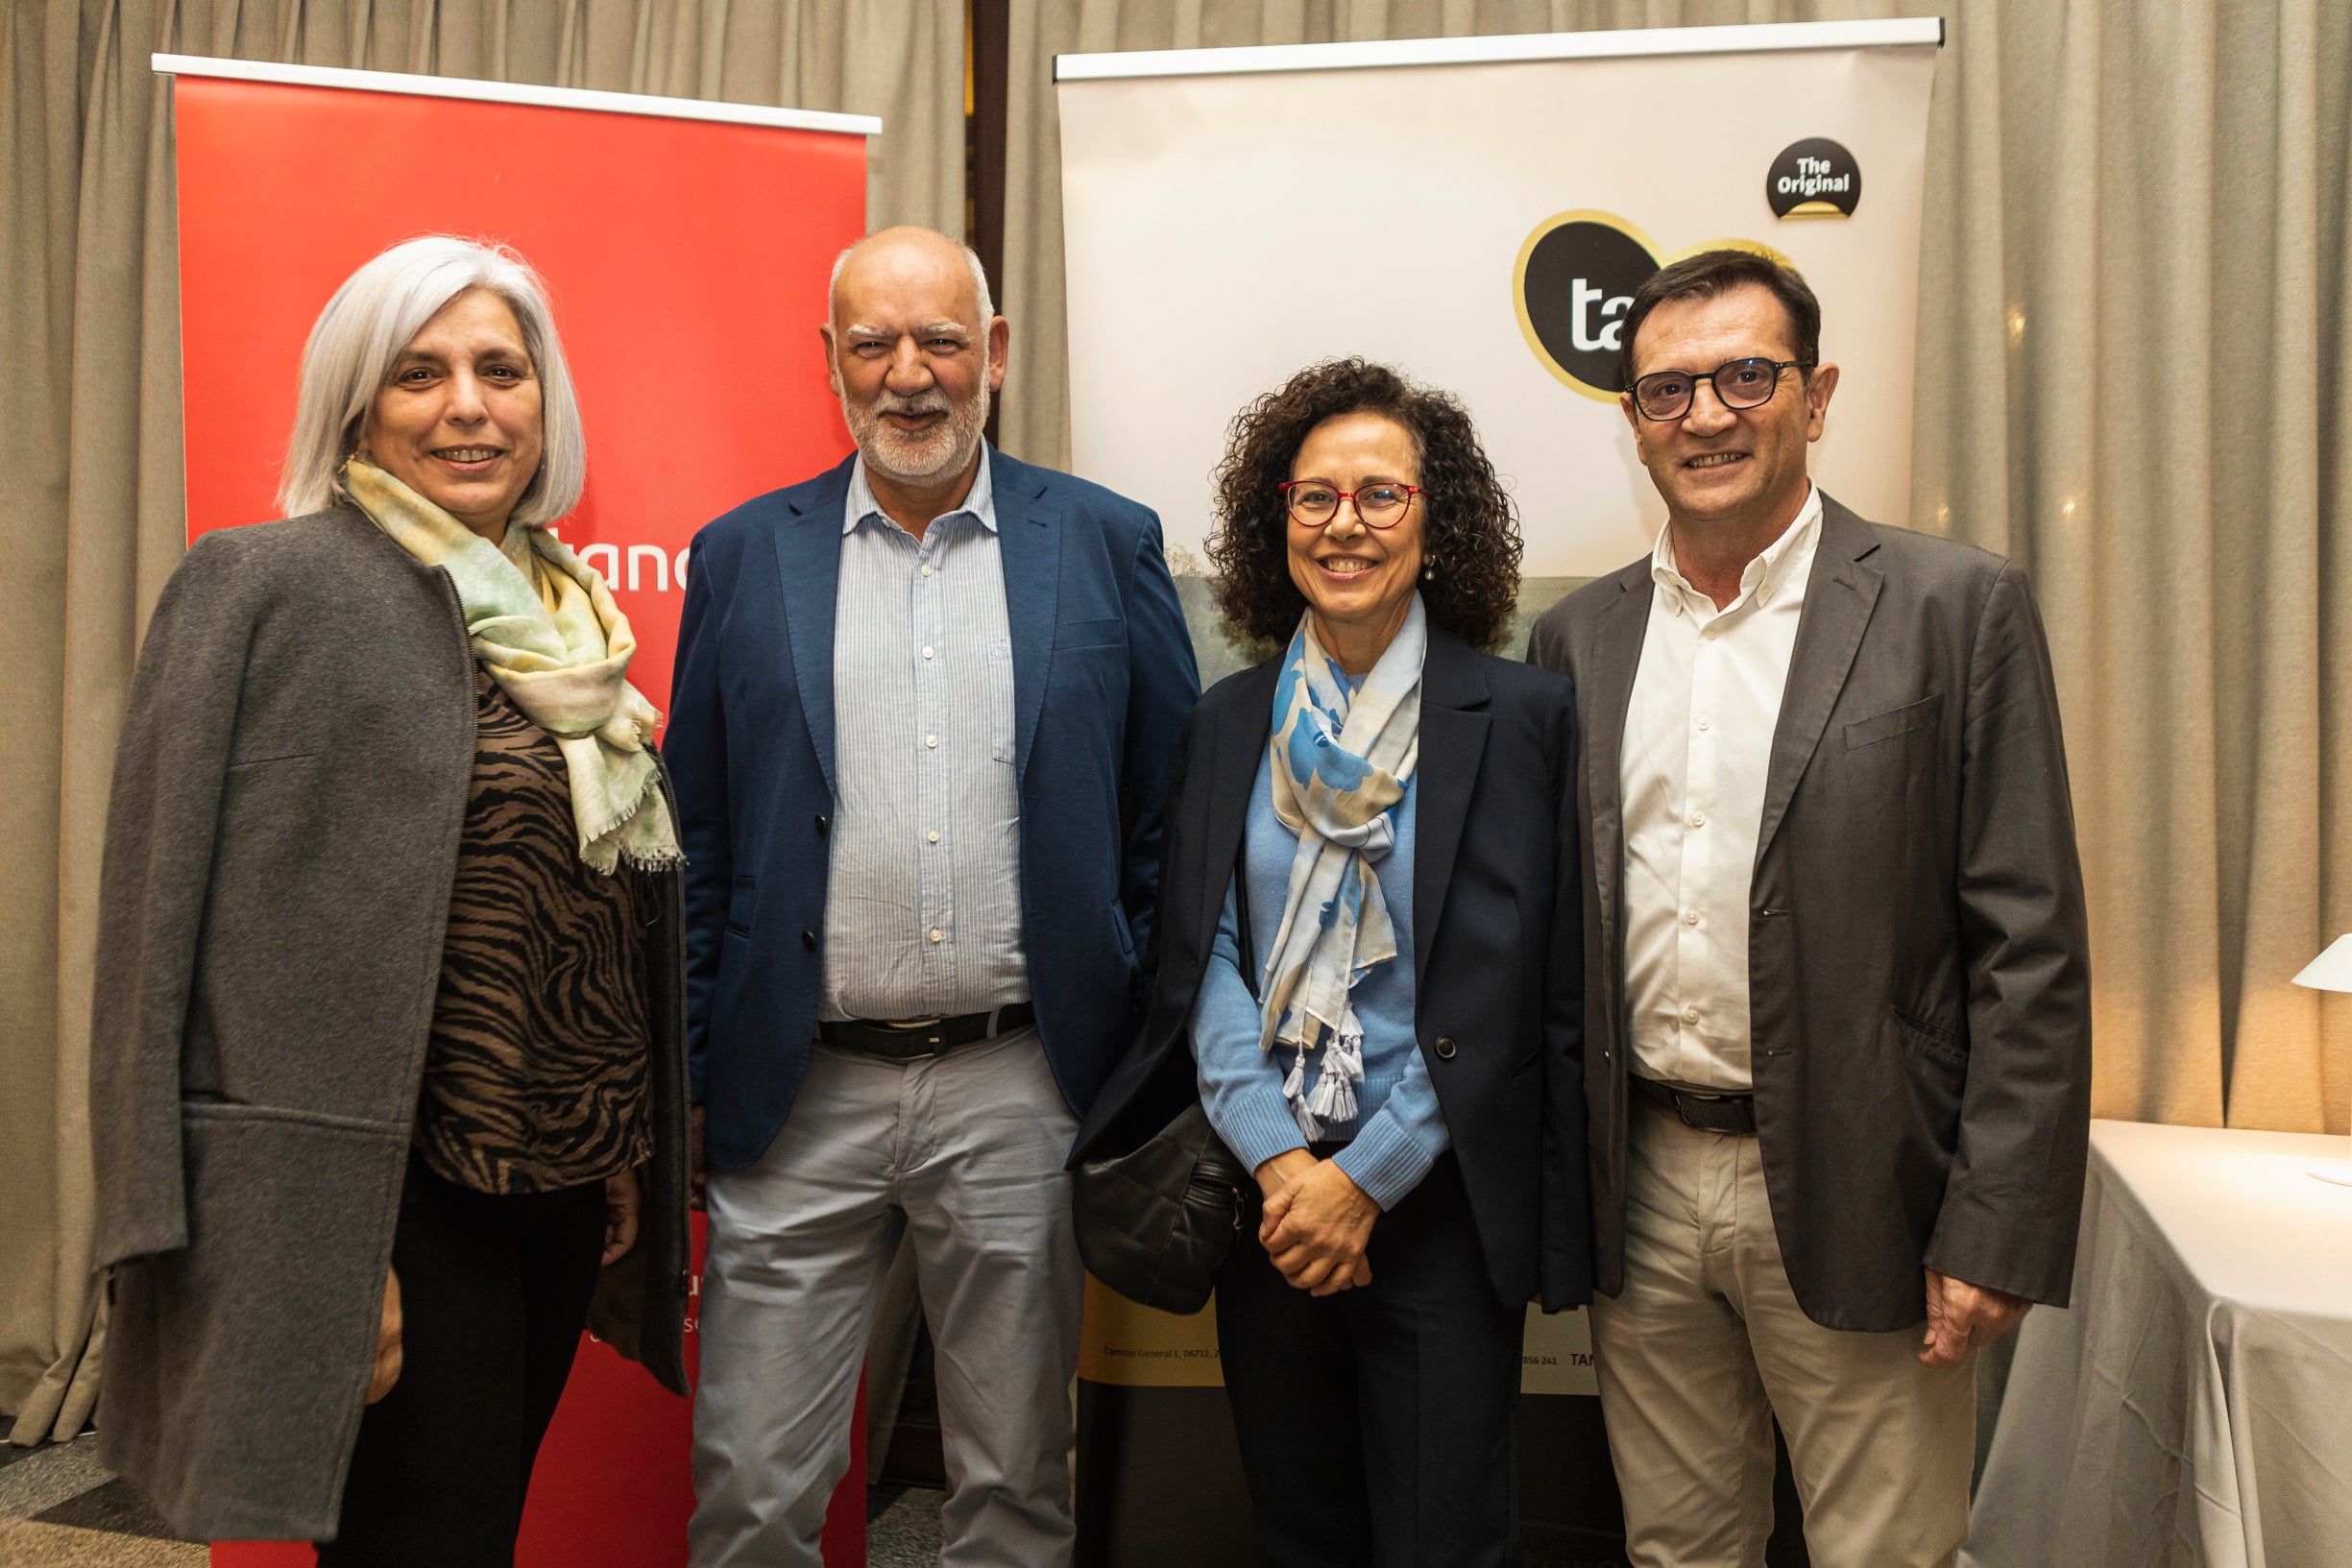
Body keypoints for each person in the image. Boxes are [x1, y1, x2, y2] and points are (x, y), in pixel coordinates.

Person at [86, 235, 693, 1560]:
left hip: (551, 1183)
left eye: (500, 370)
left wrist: (615, 1144)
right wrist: (307, 1248)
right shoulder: (267, 586)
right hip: (378, 1197)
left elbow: (575, 904)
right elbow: (159, 934)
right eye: (420, 373)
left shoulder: (567, 617)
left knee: (473, 1530)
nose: (468, 405)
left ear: (545, 403)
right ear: (357, 405)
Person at [1526, 249, 2092, 1568]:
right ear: (1633, 422)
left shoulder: (1955, 608)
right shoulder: (1581, 641)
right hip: (1641, 1186)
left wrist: (1993, 1224)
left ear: (1816, 395)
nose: (1705, 416)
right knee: (1677, 1549)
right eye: (1668, 390)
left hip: (1867, 1184)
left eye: (1745, 376)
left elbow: (2029, 948)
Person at [668, 225, 1199, 1566]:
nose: (909, 375)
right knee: (752, 1492)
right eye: (873, 344)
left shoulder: (1105, 542)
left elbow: (1164, 816)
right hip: (797, 1092)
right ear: (830, 362)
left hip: (1019, 1086)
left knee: (1015, 1488)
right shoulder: (740, 555)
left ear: (995, 353)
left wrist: (1130, 1039)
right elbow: (700, 837)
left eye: (941, 341)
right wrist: (687, 1074)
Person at [1073, 359, 1591, 1568]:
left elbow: (1513, 984)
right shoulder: (1227, 721)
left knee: (1442, 1540)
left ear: (1435, 521)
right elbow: (1199, 960)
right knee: (1298, 1531)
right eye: (1314, 497)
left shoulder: (1518, 719)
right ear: (1281, 521)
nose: (1343, 524)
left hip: (1438, 1202)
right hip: (1271, 1199)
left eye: (1379, 495)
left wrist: (1367, 1179)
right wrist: (1284, 1165)